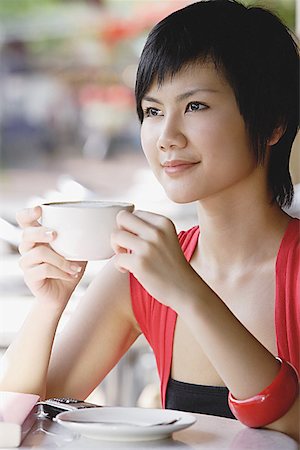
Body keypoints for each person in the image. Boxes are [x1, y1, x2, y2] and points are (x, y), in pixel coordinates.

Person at [0, 0, 299, 441]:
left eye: (195, 106)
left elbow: (288, 425)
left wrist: (190, 293)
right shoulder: (140, 274)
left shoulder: (174, 273)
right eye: (153, 111)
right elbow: (18, 421)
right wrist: (49, 303)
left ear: (272, 122)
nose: (167, 137)